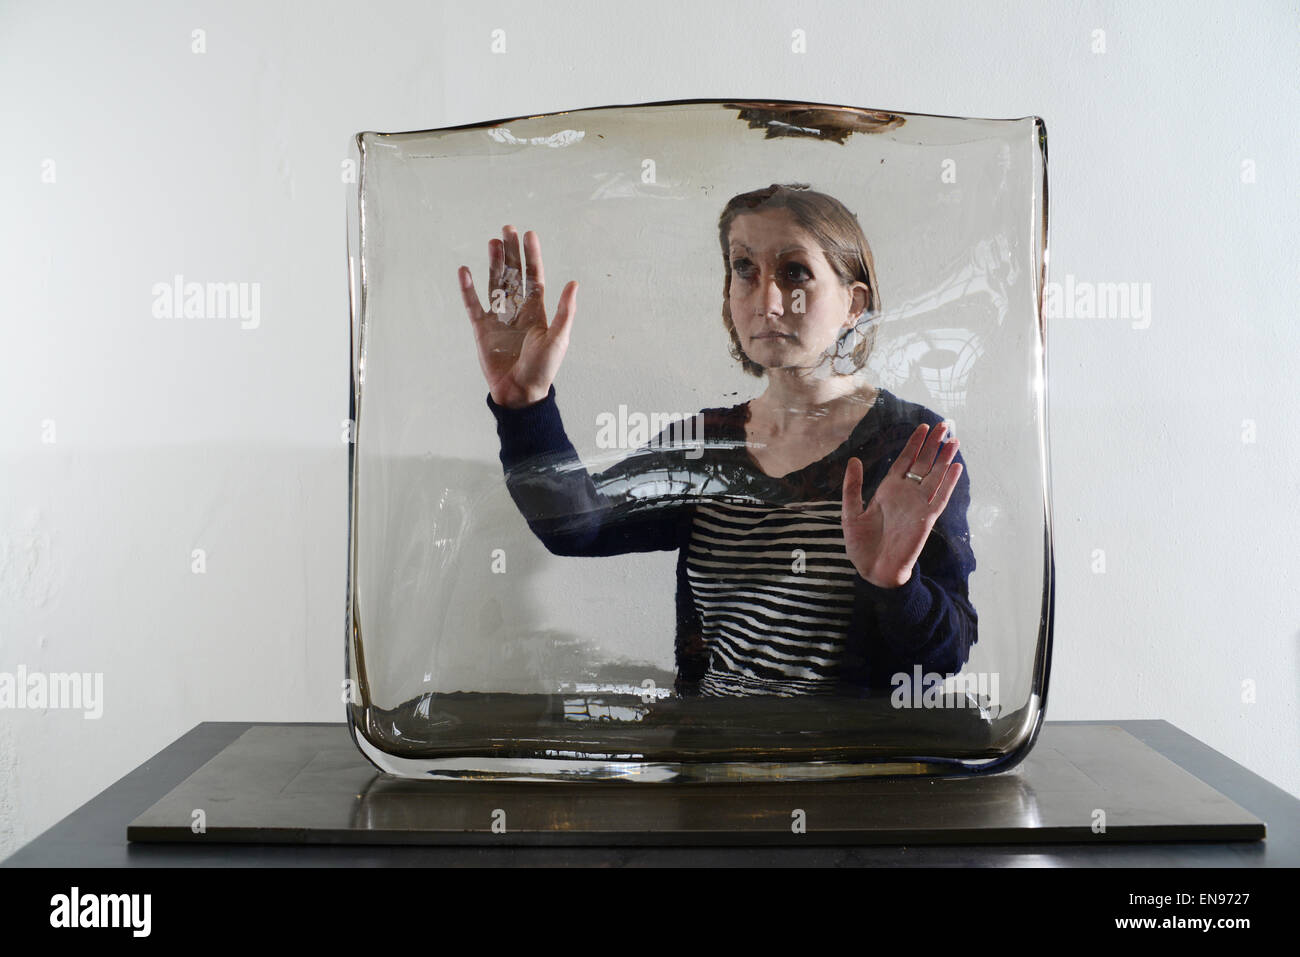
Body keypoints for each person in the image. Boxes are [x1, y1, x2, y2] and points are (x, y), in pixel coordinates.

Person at [457, 184, 977, 698]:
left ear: (853, 303)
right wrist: (526, 404)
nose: (768, 300)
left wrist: (896, 585)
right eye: (745, 269)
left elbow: (943, 659)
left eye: (795, 272)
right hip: (716, 761)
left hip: (849, 772)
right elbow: (576, 526)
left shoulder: (911, 444)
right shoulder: (706, 443)